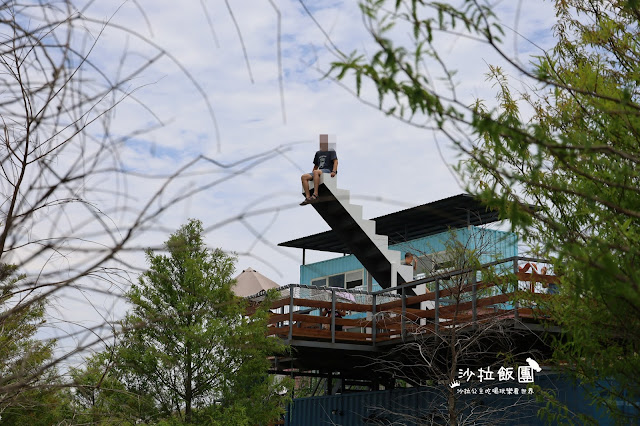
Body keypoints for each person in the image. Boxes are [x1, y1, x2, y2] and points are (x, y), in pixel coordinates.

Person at [300, 134, 338, 205]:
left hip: (328, 170)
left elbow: (335, 161)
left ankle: (315, 194)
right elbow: (316, 166)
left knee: (316, 172)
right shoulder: (318, 153)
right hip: (319, 171)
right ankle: (308, 198)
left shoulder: (331, 151)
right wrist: (312, 175)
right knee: (304, 177)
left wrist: (334, 171)